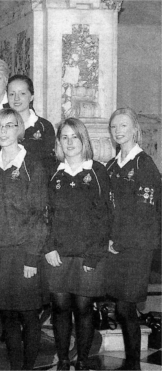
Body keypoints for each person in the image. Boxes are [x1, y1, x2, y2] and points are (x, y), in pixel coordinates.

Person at [0, 108, 47, 370]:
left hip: (25, 253)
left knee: (29, 315)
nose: (4, 131)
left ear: (19, 129)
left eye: (10, 125)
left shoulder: (32, 165)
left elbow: (40, 214)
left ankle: (27, 368)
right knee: (8, 316)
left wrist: (32, 257)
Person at [45, 118, 111, 370]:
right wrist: (48, 247)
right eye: (65, 137)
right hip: (57, 254)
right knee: (60, 307)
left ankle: (82, 361)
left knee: (83, 307)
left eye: (75, 137)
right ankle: (63, 359)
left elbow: (105, 216)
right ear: (59, 142)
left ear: (84, 140)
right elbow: (44, 214)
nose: (70, 142)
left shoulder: (97, 171)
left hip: (87, 254)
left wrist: (94, 255)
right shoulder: (54, 172)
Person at [105, 108, 161, 370]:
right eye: (114, 126)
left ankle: (133, 365)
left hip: (136, 247)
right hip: (116, 246)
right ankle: (131, 362)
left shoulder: (144, 164)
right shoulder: (112, 165)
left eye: (124, 125)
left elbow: (144, 212)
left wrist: (119, 242)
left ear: (135, 129)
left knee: (126, 307)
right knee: (122, 308)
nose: (118, 130)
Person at [7, 74, 56, 174]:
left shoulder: (44, 127)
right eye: (12, 94)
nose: (16, 98)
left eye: (22, 93)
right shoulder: (1, 125)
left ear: (31, 97)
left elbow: (50, 165)